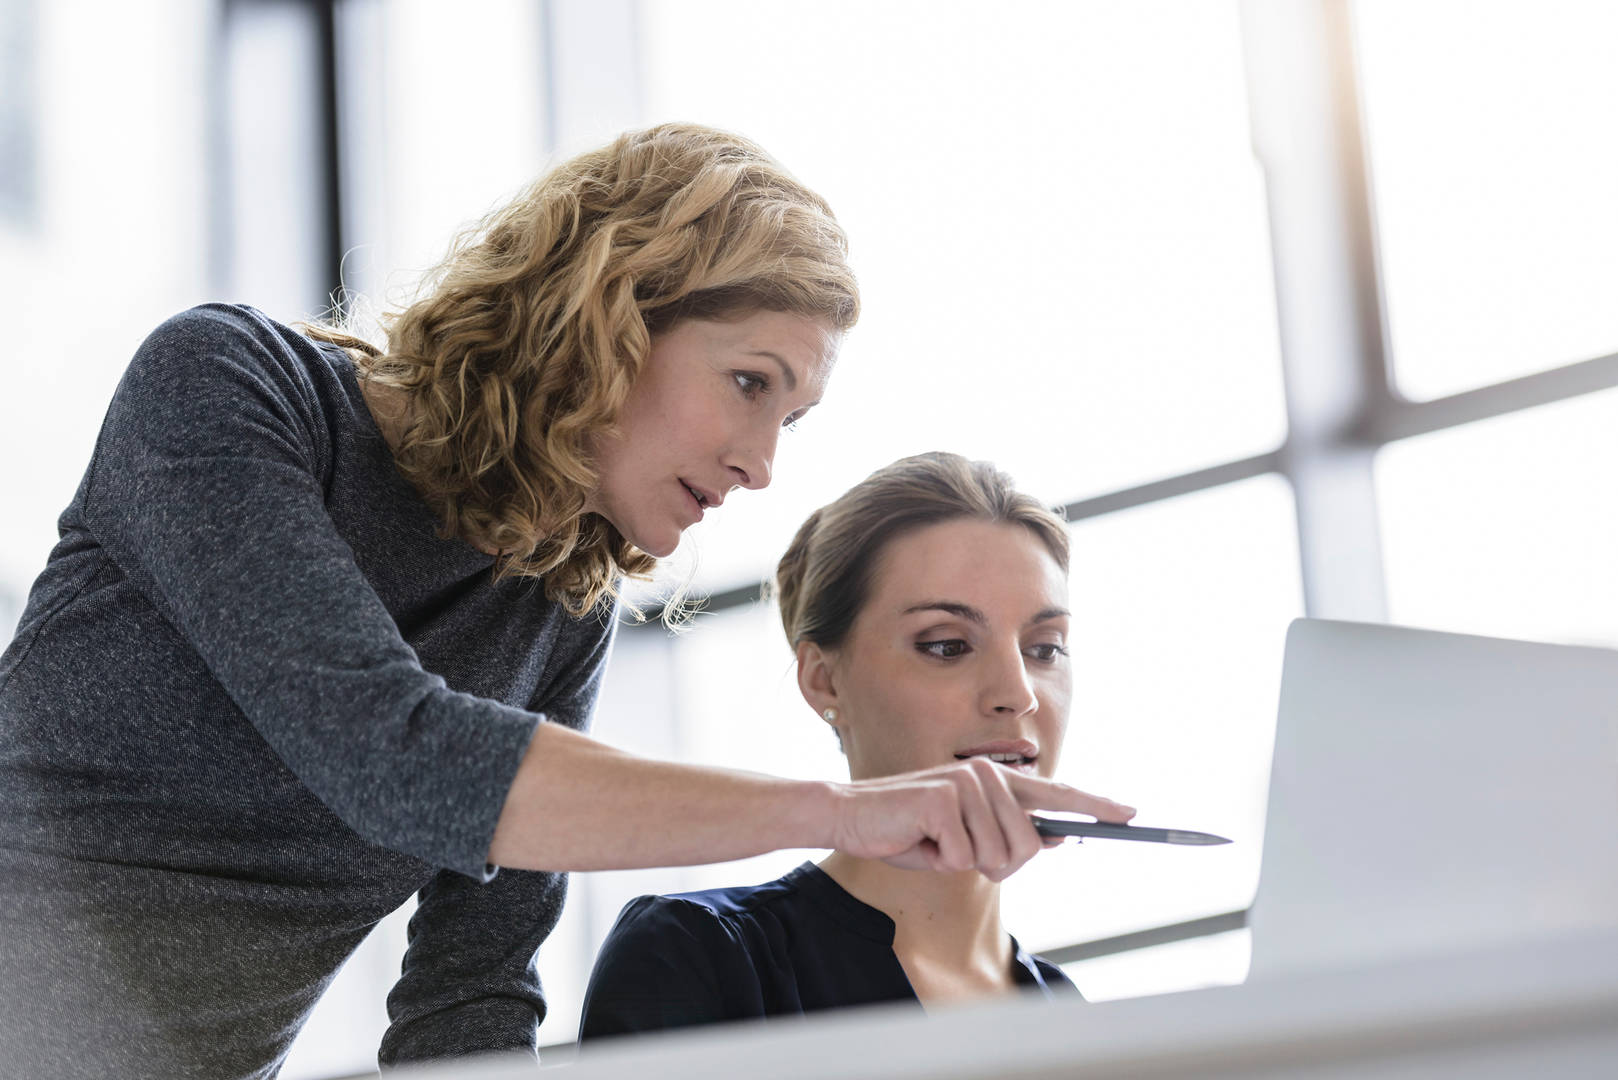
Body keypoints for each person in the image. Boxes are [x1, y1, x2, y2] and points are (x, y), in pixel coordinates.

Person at [0, 125, 1132, 1079]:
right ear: (608, 311)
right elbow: (391, 752)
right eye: (748, 385)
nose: (759, 467)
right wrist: (846, 813)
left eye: (788, 420)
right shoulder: (233, 386)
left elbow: (470, 989)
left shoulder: (556, 609)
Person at [578, 452, 1094, 1039]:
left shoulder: (1066, 1014)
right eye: (948, 645)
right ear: (824, 680)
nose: (1018, 694)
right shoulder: (701, 957)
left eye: (1045, 648)